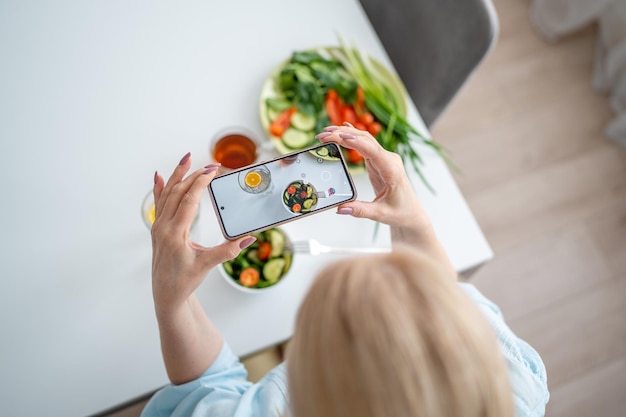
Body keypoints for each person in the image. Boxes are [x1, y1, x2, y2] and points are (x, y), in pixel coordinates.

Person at [142, 124, 549, 417]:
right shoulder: (516, 385)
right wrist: (414, 223)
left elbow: (208, 396)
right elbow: (444, 297)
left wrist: (171, 300)